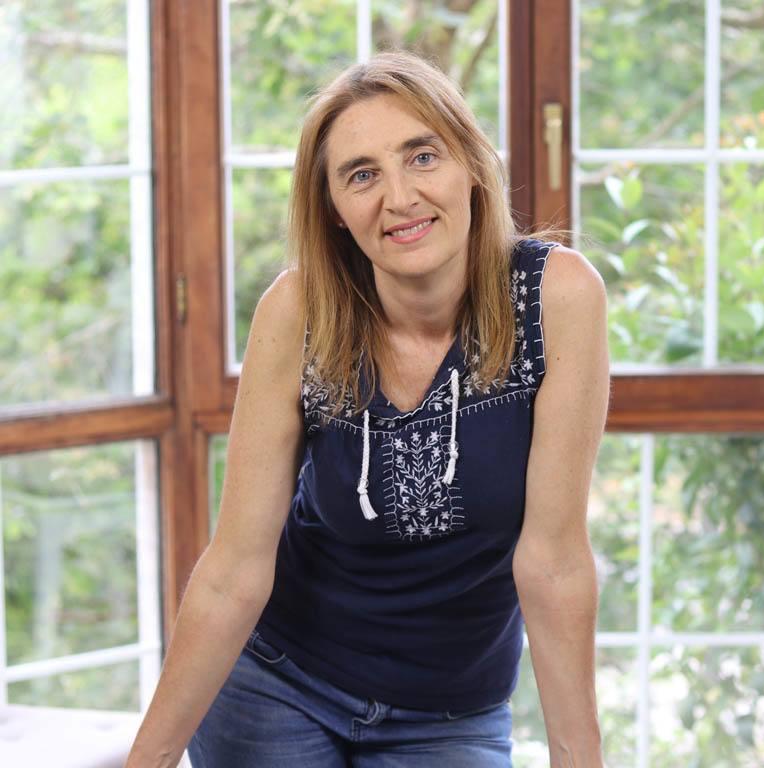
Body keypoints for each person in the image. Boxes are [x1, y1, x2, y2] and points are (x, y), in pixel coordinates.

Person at [127, 50, 609, 768]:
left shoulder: (554, 298)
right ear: (334, 211)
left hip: (450, 713)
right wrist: (146, 761)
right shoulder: (300, 310)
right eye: (361, 175)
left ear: (472, 166)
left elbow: (554, 563)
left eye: (422, 157)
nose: (400, 197)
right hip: (277, 683)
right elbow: (234, 569)